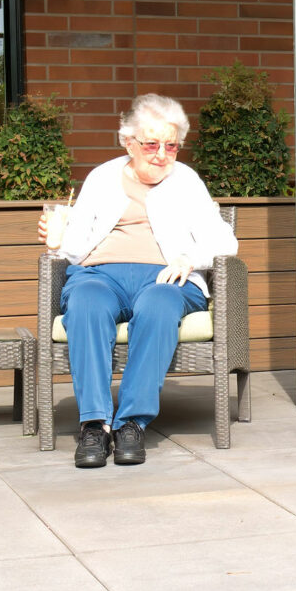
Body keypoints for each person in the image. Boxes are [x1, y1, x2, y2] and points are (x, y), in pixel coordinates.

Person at [40, 94, 237, 469]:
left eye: (171, 145)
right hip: (99, 274)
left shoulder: (188, 182)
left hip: (166, 278)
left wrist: (189, 258)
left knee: (159, 306)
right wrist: (56, 238)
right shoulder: (101, 177)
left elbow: (225, 242)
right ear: (128, 141)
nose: (162, 154)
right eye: (151, 144)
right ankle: (94, 424)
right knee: (86, 305)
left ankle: (132, 422)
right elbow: (73, 245)